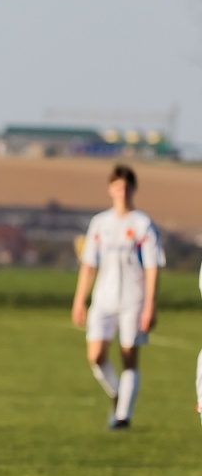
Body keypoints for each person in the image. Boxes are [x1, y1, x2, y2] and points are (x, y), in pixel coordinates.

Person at [70, 165, 163, 430]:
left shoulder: (143, 224)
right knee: (96, 355)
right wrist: (80, 300)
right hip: (103, 299)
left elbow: (153, 266)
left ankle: (123, 417)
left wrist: (150, 305)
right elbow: (89, 265)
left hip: (133, 299)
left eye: (126, 187)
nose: (121, 192)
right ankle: (118, 392)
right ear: (110, 189)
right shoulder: (100, 224)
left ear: (133, 189)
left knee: (128, 355)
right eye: (117, 187)